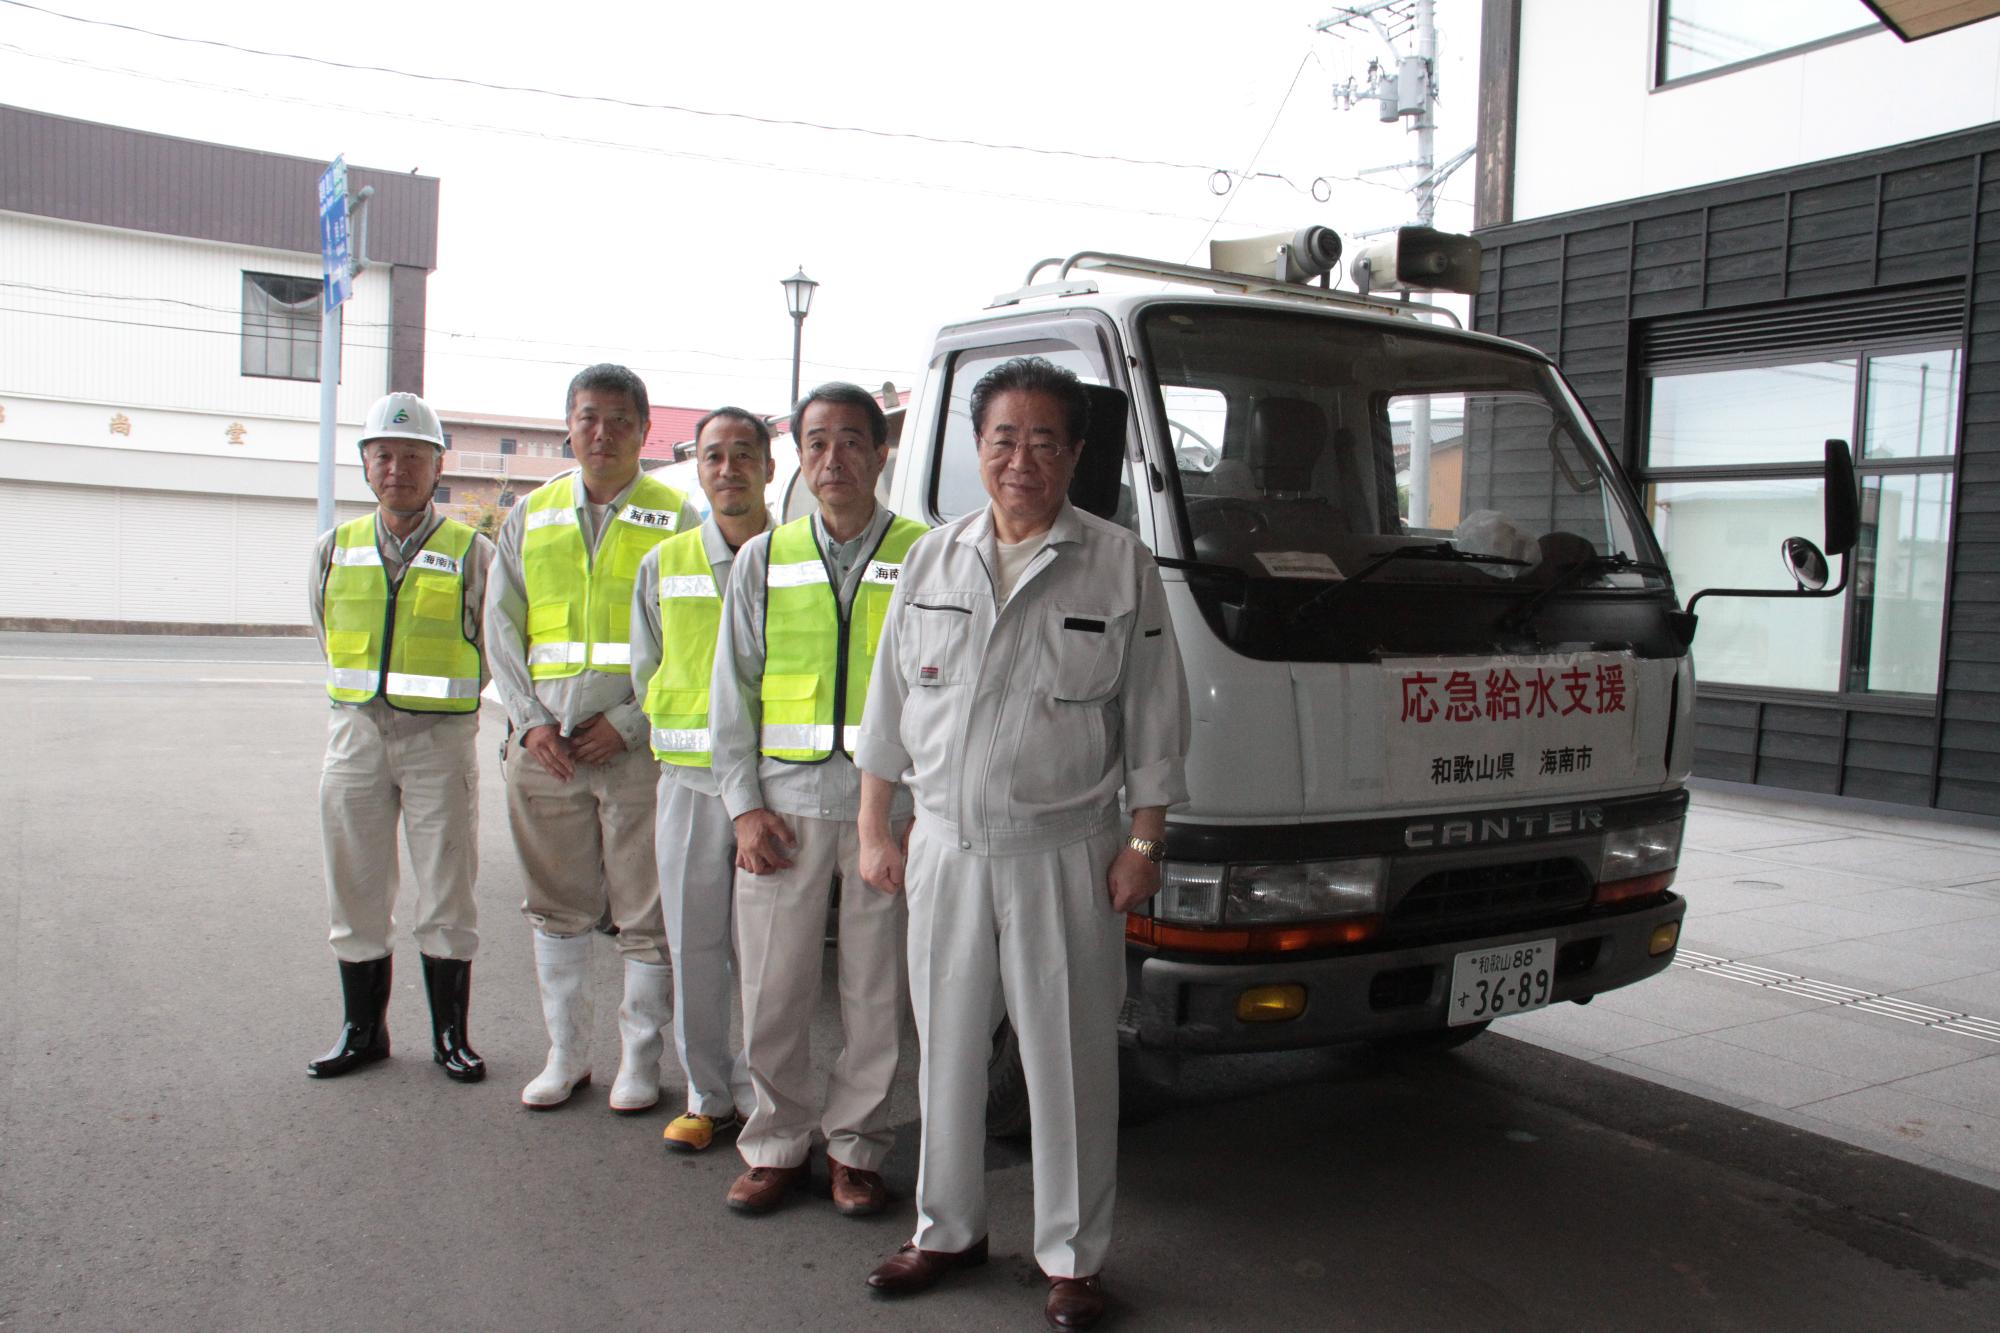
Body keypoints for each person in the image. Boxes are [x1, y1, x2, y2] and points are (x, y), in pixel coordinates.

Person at [855, 357, 1190, 1331]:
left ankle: (1072, 1258)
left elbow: (1156, 715)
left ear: (1075, 454)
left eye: (1046, 440)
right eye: (1004, 438)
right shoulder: (931, 558)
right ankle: (946, 1227)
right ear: (976, 447)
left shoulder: (1116, 562)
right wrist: (876, 826)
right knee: (949, 1053)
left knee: (1069, 1060)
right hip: (945, 847)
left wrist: (1146, 840)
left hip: (1066, 850)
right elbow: (887, 702)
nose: (1022, 459)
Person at [708, 382, 925, 1216]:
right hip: (784, 804)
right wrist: (742, 806)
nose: (834, 458)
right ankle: (773, 1141)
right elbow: (736, 689)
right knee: (772, 984)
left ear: (879, 453)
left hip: (889, 811)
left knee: (876, 990)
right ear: (799, 457)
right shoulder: (766, 556)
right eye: (817, 442)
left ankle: (858, 1148)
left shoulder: (925, 551)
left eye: (851, 441)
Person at [485, 363, 699, 1112]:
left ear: (644, 429)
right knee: (556, 904)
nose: (601, 432)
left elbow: (694, 639)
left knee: (647, 911)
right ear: (568, 426)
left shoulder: (678, 519)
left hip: (635, 750)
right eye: (586, 417)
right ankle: (566, 1055)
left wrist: (631, 721)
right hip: (545, 750)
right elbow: (501, 625)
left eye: (617, 419)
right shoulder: (532, 514)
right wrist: (530, 720)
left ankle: (638, 1060)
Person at [306, 391, 493, 1083]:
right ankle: (364, 1032)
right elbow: (325, 633)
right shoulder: (334, 548)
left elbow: (493, 642)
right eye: (383, 454)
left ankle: (452, 1036)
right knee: (354, 883)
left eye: (413, 456)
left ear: (438, 465)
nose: (397, 468)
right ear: (364, 464)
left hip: (438, 740)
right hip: (355, 733)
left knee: (447, 887)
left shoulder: (473, 551)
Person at [629, 407, 774, 1152]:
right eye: (714, 456)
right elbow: (645, 667)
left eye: (743, 454)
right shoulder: (666, 562)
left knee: (769, 950)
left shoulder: (797, 557)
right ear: (699, 468)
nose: (728, 469)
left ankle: (767, 1096)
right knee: (694, 941)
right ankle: (707, 1093)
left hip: (775, 787)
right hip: (688, 781)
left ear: (769, 467)